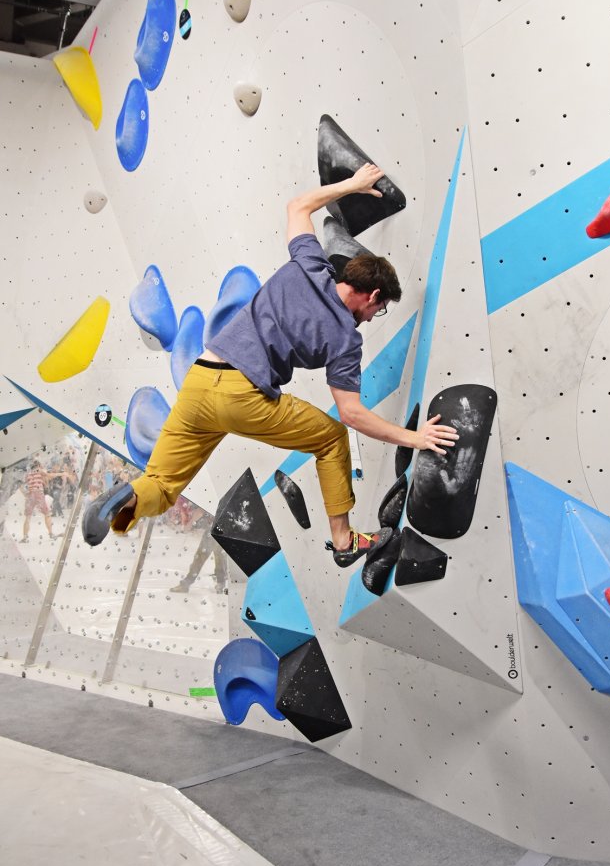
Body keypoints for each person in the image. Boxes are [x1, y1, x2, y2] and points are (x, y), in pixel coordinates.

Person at [83, 163, 458, 566]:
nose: (370, 319)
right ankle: (344, 540)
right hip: (242, 394)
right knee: (330, 438)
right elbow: (351, 414)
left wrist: (354, 184)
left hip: (200, 380)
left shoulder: (308, 265)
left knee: (160, 482)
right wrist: (414, 439)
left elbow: (298, 206)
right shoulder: (346, 338)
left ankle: (128, 499)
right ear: (373, 295)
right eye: (377, 310)